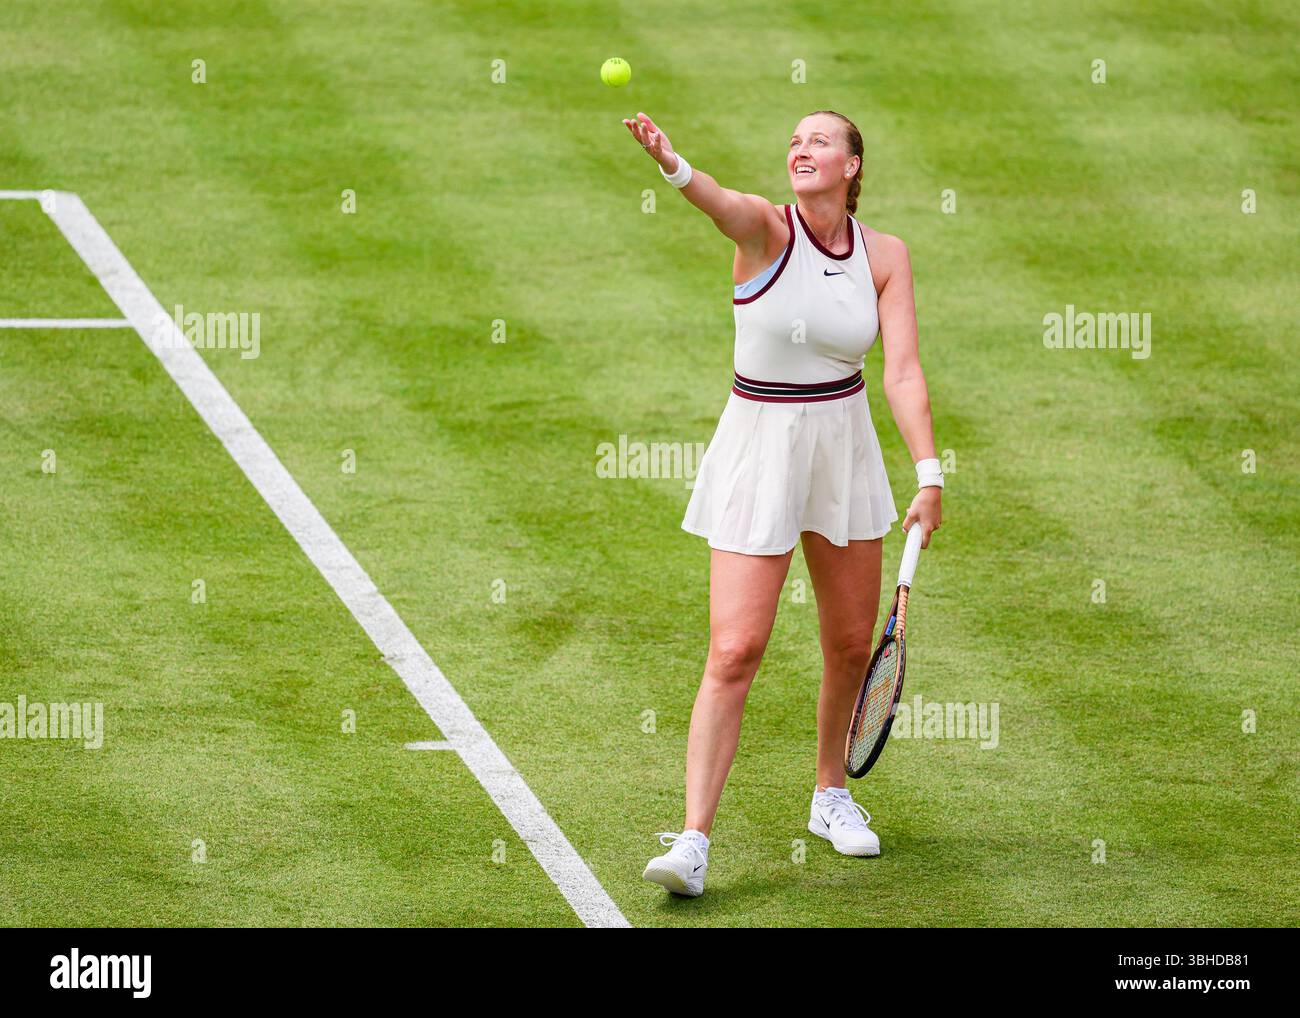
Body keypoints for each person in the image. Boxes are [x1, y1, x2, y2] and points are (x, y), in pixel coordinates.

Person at [624, 110, 945, 898]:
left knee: (846, 645)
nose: (802, 150)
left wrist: (929, 473)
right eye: (795, 142)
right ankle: (694, 840)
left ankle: (830, 793)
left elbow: (900, 372)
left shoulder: (887, 256)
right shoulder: (766, 230)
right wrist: (674, 165)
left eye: (820, 141)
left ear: (853, 164)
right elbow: (719, 202)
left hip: (843, 447)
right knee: (735, 649)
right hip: (759, 447)